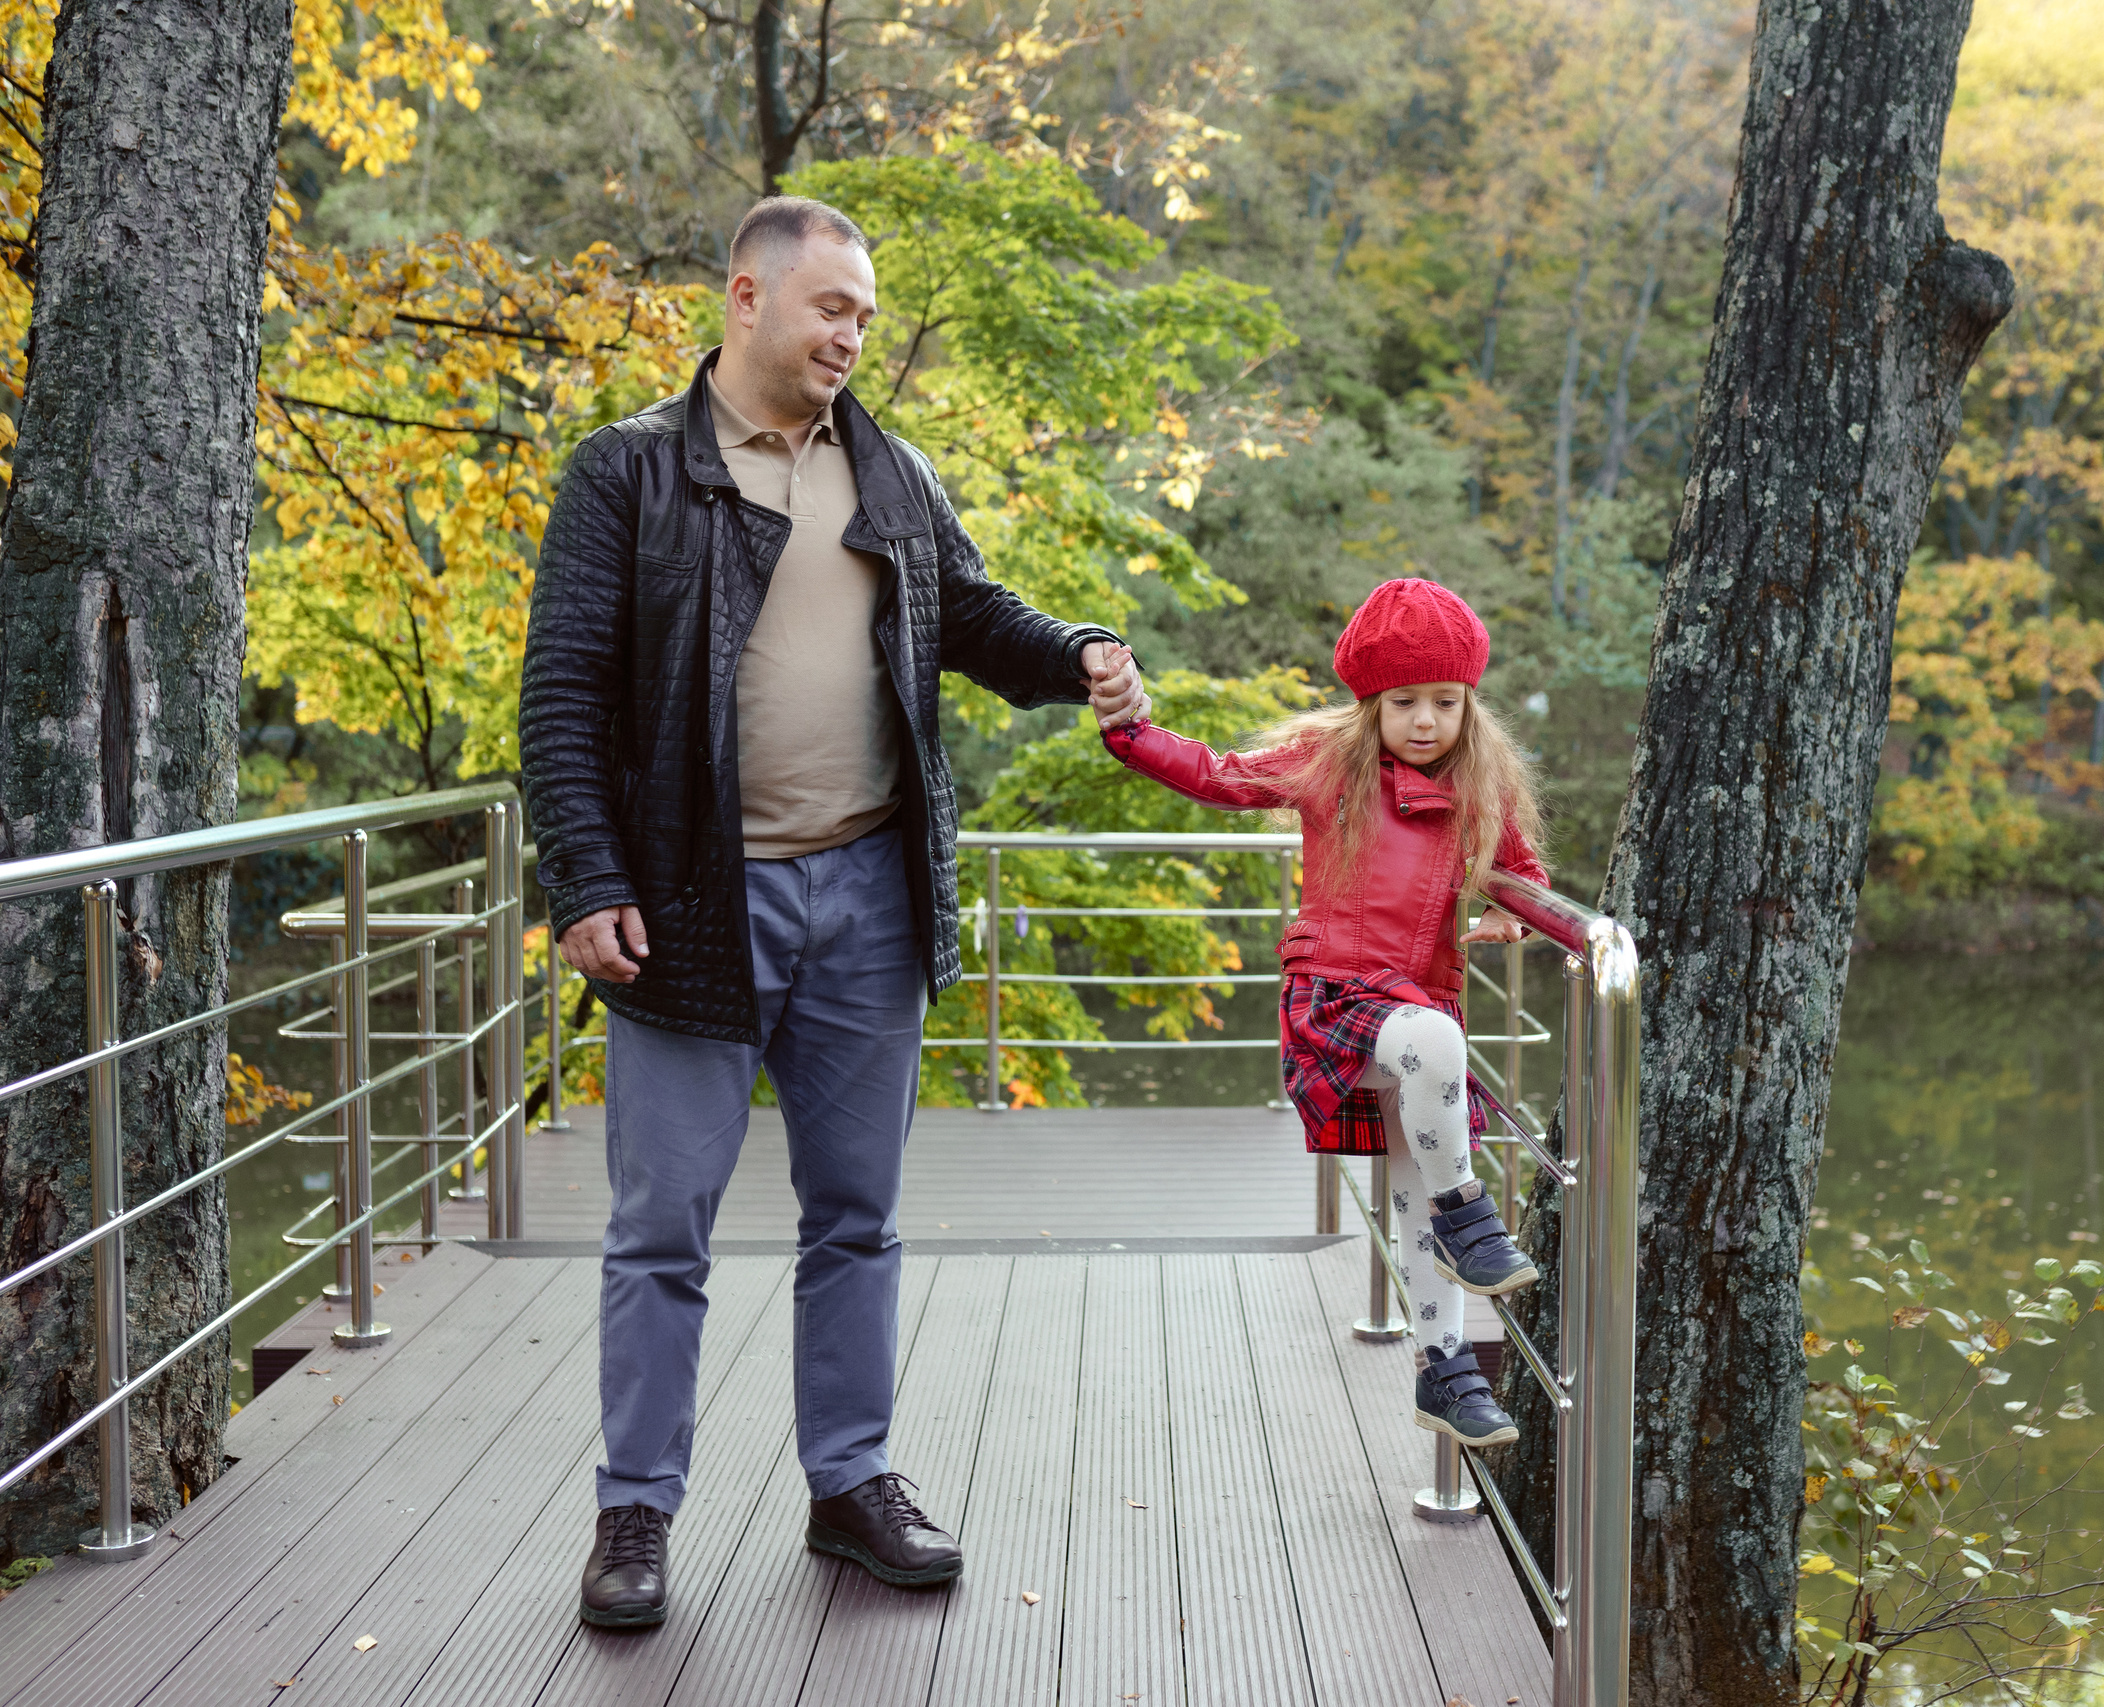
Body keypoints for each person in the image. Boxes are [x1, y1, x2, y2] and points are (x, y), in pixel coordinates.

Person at [518, 195, 1145, 1629]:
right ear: (747, 298)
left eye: (865, 313)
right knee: (661, 1226)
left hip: (869, 892)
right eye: (831, 307)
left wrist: (1078, 651)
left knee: (857, 1218)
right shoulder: (627, 472)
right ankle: (635, 1507)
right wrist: (588, 879)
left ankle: (850, 1482)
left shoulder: (889, 467)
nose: (852, 333)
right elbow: (561, 693)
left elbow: (970, 612)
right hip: (689, 903)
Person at [1088, 578, 1546, 1447]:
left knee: (1415, 1183)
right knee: (1436, 1046)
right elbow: (1219, 775)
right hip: (1336, 1001)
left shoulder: (1480, 786)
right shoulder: (1330, 765)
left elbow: (1522, 871)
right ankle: (1470, 1215)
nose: (1425, 721)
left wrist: (1509, 912)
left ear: (1469, 704)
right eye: (1404, 703)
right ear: (1371, 703)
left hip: (1419, 1017)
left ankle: (1445, 1370)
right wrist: (1131, 731)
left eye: (1445, 702)